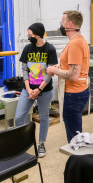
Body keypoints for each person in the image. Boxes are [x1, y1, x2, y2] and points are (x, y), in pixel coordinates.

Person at [46, 10, 90, 143]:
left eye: (62, 21)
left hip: (73, 94)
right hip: (80, 91)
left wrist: (53, 70)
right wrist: (60, 69)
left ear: (69, 24)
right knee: (76, 131)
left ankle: (78, 162)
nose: (61, 24)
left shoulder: (75, 44)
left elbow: (73, 75)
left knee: (74, 138)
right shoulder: (79, 39)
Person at [16, 23, 57, 157]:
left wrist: (38, 90)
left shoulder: (50, 49)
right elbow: (24, 70)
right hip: (28, 89)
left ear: (37, 35)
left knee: (44, 117)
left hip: (44, 90)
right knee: (18, 118)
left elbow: (49, 73)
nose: (29, 37)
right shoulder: (28, 48)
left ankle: (41, 144)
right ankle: (21, 143)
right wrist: (28, 89)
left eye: (30, 34)